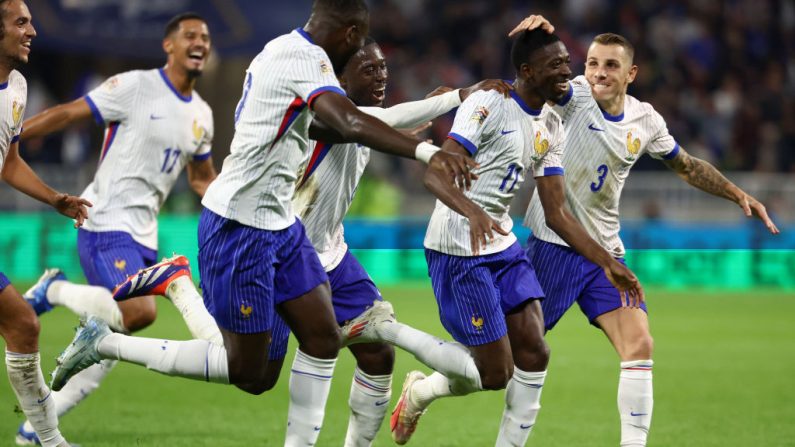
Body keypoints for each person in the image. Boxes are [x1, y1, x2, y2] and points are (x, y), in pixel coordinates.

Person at [50, 1, 484, 445]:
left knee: (322, 339)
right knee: (250, 373)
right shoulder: (303, 62)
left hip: (283, 227)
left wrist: (450, 101)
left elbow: (367, 119)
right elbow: (351, 121)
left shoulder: (290, 53)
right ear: (351, 34)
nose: (376, 75)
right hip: (240, 228)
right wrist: (427, 151)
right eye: (366, 64)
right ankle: (105, 343)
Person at [509, 16, 779, 447]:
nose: (598, 72)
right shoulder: (571, 95)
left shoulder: (645, 119)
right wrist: (541, 35)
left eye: (611, 65)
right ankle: (425, 389)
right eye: (593, 62)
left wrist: (737, 193)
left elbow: (686, 165)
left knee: (639, 344)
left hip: (607, 256)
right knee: (500, 362)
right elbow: (528, 82)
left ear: (630, 74)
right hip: (552, 248)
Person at [389, 29, 643, 446]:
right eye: (555, 65)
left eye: (566, 62)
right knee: (492, 374)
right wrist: (472, 211)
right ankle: (388, 332)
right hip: (457, 247)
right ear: (527, 72)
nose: (567, 71)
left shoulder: (552, 125)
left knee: (535, 352)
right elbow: (436, 171)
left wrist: (608, 261)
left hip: (502, 245)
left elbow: (558, 214)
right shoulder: (489, 104)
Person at [14, 12, 218, 443]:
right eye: (190, 36)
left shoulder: (202, 114)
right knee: (139, 313)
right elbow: (70, 113)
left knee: (105, 343)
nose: (200, 42)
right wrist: (10, 136)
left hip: (144, 234)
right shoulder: (136, 86)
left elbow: (201, 178)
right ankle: (52, 290)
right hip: (103, 219)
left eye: (205, 37)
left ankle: (34, 430)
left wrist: (237, 203)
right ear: (169, 45)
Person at [0, 1, 90, 446]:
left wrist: (55, 198)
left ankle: (47, 440)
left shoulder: (16, 87)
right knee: (22, 324)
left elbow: (9, 161)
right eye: (21, 22)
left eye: (31, 21)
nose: (32, 30)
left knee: (22, 326)